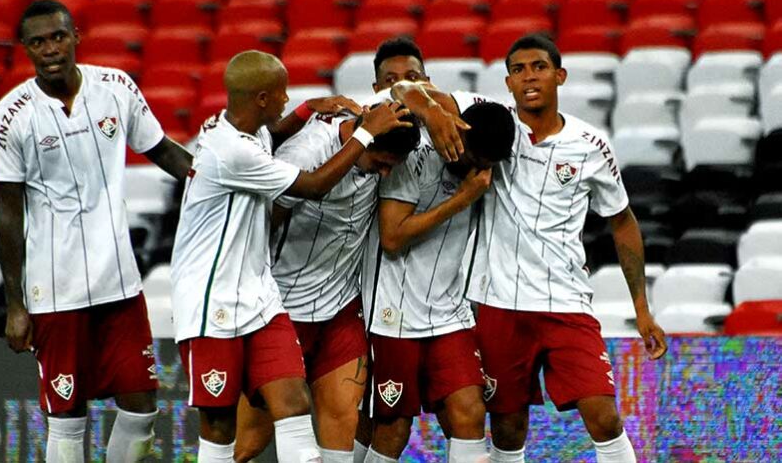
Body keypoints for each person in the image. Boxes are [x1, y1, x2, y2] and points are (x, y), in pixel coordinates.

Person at [392, 34, 669, 462]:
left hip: (566, 303)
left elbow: (623, 222)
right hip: (498, 302)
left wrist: (642, 309)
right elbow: (404, 88)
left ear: (559, 75)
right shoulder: (492, 120)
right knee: (507, 426)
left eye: (538, 67)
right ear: (508, 83)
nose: (528, 77)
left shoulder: (591, 145)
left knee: (603, 415)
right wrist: (432, 112)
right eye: (518, 70)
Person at [169, 50, 413, 462]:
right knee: (239, 440)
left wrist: (307, 108)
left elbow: (276, 130)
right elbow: (312, 188)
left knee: (323, 416)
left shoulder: (255, 133)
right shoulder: (249, 152)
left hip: (317, 308)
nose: (385, 175)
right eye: (283, 94)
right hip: (234, 303)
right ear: (261, 97)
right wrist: (363, 136)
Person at [0, 0, 194, 462]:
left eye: (58, 37)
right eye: (38, 42)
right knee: (66, 415)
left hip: (119, 282)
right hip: (55, 292)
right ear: (25, 49)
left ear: (76, 35)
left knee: (142, 408)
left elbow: (163, 151)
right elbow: (7, 214)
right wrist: (16, 303)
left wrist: (219, 182)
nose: (50, 49)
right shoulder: (10, 116)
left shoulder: (116, 87)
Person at [232, 105, 421, 463]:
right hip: (284, 312)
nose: (384, 173)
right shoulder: (306, 153)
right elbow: (261, 224)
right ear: (362, 137)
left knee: (341, 433)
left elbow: (411, 89)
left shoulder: (382, 138)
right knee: (248, 445)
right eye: (380, 161)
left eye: (391, 166)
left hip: (341, 310)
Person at [361, 101, 516, 463]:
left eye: (489, 166)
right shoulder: (414, 158)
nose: (480, 172)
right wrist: (462, 200)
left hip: (449, 313)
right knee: (393, 430)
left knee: (470, 412)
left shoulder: (482, 165)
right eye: (476, 159)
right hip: (394, 316)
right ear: (459, 131)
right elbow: (393, 237)